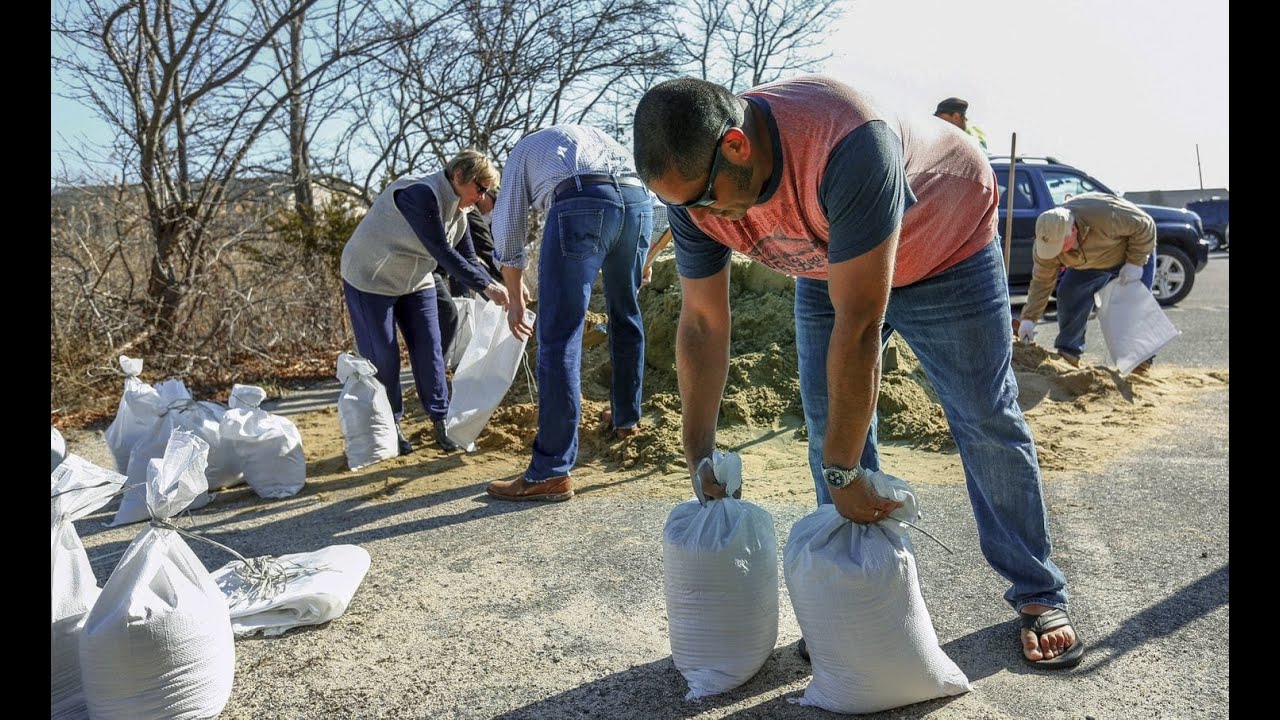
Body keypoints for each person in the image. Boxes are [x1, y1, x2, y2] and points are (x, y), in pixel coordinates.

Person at [634, 75, 1084, 668]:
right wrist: (699, 455)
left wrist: (846, 474)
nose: (698, 216)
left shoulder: (843, 141)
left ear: (737, 145)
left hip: (946, 244)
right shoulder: (694, 190)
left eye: (702, 199)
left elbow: (860, 324)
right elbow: (701, 324)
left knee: (982, 414)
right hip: (827, 259)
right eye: (680, 205)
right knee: (829, 428)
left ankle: (1037, 593)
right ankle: (850, 600)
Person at [484, 125, 653, 503]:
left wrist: (514, 296)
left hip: (581, 204)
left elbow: (508, 223)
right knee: (625, 314)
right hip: (638, 202)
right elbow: (652, 197)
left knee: (560, 335)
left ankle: (551, 471)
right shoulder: (601, 139)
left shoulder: (524, 150)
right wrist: (643, 257)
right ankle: (627, 419)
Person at [340, 150, 509, 455]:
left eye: (486, 191)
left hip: (416, 279)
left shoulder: (462, 208)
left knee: (430, 349)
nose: (483, 198)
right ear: (459, 177)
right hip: (370, 278)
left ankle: (441, 421)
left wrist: (500, 283)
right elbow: (442, 250)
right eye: (480, 189)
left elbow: (468, 257)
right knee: (384, 357)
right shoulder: (419, 194)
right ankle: (391, 425)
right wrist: (486, 287)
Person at [1016, 193, 1158, 372]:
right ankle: (1069, 352)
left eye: (1061, 246)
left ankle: (1141, 359)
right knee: (1069, 292)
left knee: (1131, 303)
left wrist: (1134, 263)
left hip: (1129, 253)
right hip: (1089, 262)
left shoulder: (1106, 215)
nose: (1057, 252)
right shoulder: (1047, 244)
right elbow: (1042, 282)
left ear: (1073, 230)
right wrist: (1029, 319)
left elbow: (1145, 226)